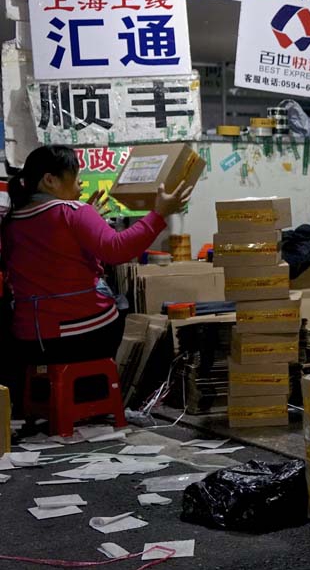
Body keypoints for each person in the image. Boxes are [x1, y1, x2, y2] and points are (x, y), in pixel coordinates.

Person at [0, 146, 191, 402]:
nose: (80, 181)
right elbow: (118, 250)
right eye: (75, 174)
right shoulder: (73, 213)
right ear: (50, 180)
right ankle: (104, 395)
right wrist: (159, 214)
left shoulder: (13, 221)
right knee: (124, 306)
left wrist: (87, 220)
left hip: (28, 339)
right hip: (78, 337)